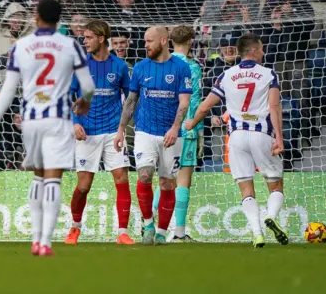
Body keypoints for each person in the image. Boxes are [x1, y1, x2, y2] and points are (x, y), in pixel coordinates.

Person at [0, 0, 96, 256]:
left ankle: (35, 238)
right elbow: (88, 87)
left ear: (36, 17)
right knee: (53, 179)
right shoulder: (70, 45)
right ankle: (45, 242)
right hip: (58, 119)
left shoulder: (21, 45)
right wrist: (84, 103)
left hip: (31, 119)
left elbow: (9, 88)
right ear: (59, 19)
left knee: (37, 176)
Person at [184, 33, 288, 248]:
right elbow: (275, 107)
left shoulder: (226, 75)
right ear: (253, 51)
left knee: (246, 188)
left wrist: (191, 123)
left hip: (236, 136)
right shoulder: (268, 74)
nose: (263, 52)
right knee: (275, 184)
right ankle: (271, 215)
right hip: (261, 134)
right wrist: (279, 138)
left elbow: (205, 106)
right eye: (261, 49)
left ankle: (257, 233)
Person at [113, 26, 192, 245]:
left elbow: (184, 102)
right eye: (145, 41)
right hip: (145, 131)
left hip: (172, 134)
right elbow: (130, 101)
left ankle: (161, 231)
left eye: (149, 41)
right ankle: (148, 223)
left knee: (167, 184)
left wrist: (175, 128)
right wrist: (121, 129)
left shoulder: (181, 68)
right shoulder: (140, 68)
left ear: (164, 41)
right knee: (145, 175)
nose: (145, 45)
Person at [64, 20, 134, 246]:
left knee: (122, 179)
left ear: (102, 38)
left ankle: (123, 232)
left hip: (113, 132)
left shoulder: (120, 66)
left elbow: (130, 100)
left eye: (88, 37)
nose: (84, 41)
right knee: (83, 186)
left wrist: (123, 129)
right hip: (87, 132)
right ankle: (75, 227)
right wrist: (74, 123)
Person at [151, 26, 201, 242]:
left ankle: (148, 224)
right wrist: (196, 129)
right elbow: (195, 100)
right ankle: (179, 232)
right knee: (182, 181)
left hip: (163, 129)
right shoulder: (192, 66)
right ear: (191, 41)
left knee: (164, 178)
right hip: (185, 131)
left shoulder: (161, 65)